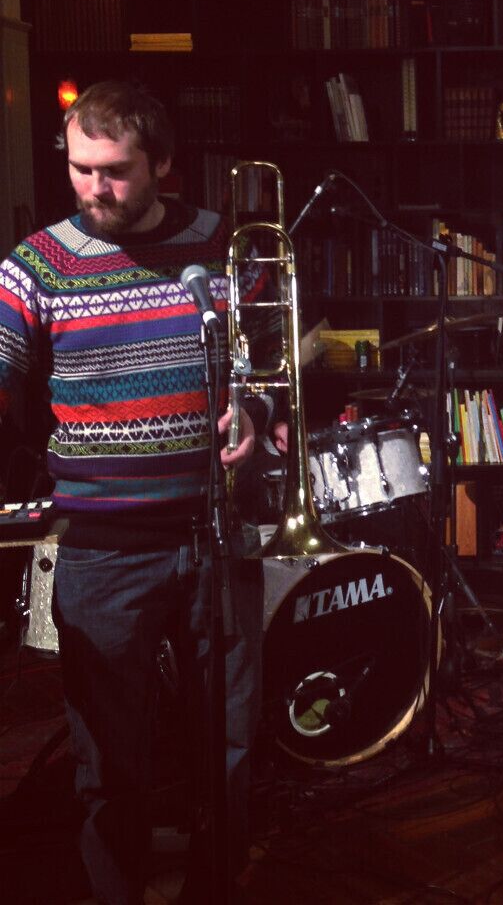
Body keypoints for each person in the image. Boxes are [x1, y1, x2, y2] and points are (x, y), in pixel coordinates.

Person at [0, 81, 262, 905]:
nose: (94, 189)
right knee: (109, 758)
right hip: (104, 546)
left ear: (163, 165)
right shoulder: (34, 265)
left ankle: (214, 889)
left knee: (233, 748)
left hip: (216, 529)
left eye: (114, 171)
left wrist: (255, 411)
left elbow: (267, 369)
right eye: (80, 169)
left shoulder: (225, 247)